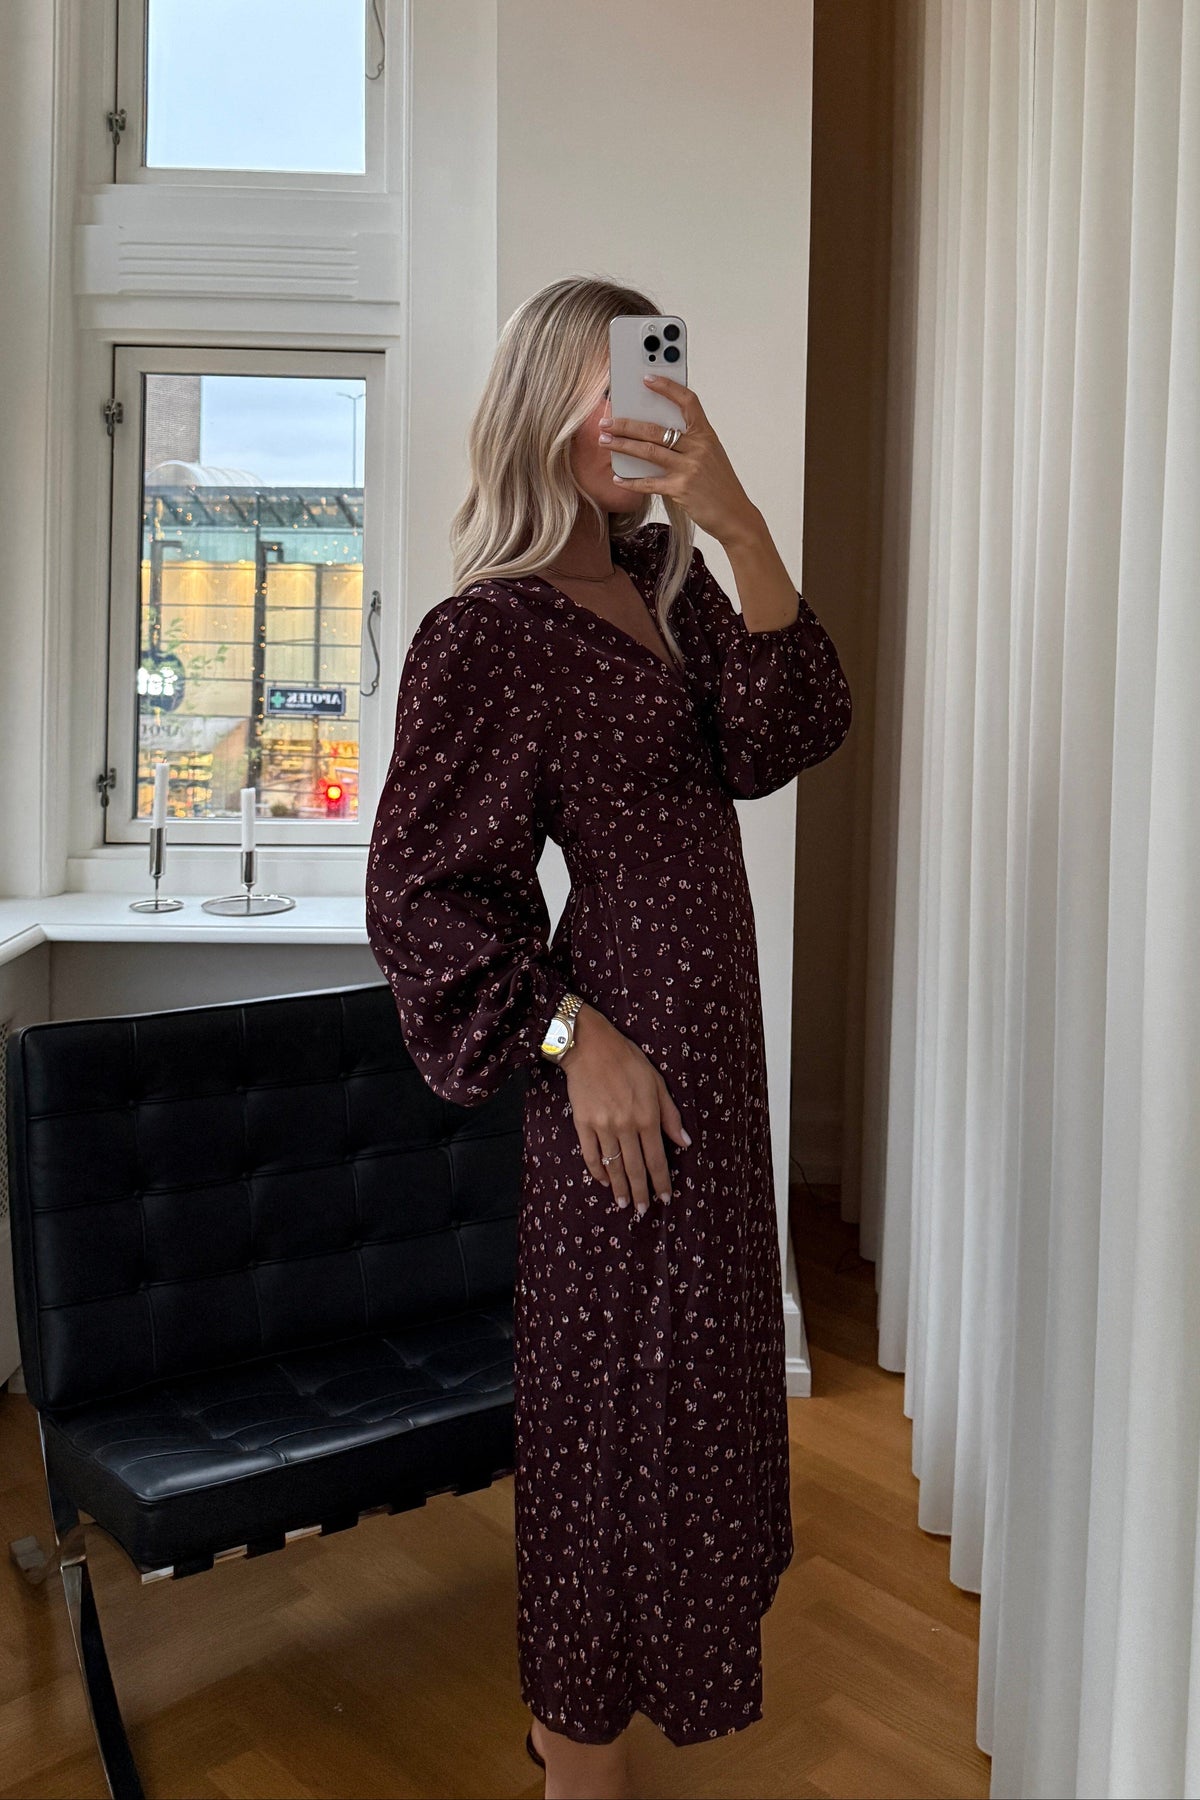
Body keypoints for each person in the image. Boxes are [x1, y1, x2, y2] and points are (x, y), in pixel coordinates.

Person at [365, 276, 852, 1800]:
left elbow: (784, 733)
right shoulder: (486, 634)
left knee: (688, 1411)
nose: (636, 414)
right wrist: (576, 1039)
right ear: (541, 409)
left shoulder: (667, 586)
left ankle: (594, 1725)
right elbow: (421, 899)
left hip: (719, 1074)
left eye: (652, 378)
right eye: (606, 386)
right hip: (616, 1083)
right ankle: (580, 1768)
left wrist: (739, 522)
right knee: (608, 1437)